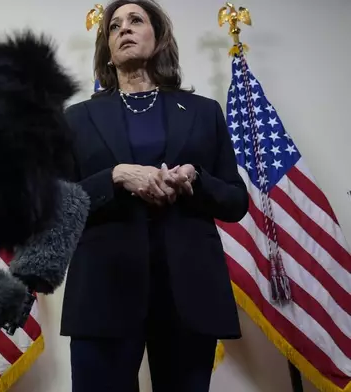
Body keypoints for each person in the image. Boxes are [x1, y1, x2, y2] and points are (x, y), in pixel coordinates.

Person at [60, 1, 249, 391]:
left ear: (159, 37)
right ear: (107, 52)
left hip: (188, 294)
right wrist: (115, 176)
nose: (123, 30)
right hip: (103, 292)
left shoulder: (203, 111)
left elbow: (235, 201)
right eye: (113, 27)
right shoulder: (76, 119)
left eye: (135, 21)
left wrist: (195, 179)